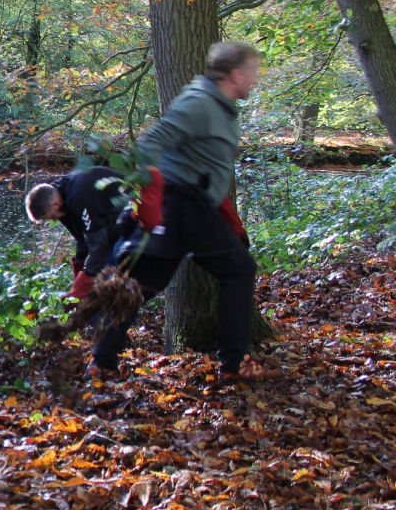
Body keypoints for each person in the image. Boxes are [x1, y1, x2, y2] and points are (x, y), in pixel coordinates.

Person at [89, 41, 278, 383]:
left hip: (193, 208)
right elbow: (151, 143)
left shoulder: (220, 107)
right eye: (252, 73)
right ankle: (233, 365)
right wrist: (150, 196)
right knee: (234, 270)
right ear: (236, 75)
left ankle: (102, 361)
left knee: (144, 285)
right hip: (180, 206)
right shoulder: (199, 102)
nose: (255, 80)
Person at [24, 166, 130, 301]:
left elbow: (98, 244)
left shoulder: (79, 195)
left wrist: (85, 281)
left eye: (52, 216)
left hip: (130, 217)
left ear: (54, 204)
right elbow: (81, 236)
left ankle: (117, 310)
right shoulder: (60, 198)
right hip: (107, 225)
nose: (54, 220)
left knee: (105, 279)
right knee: (96, 277)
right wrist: (79, 263)